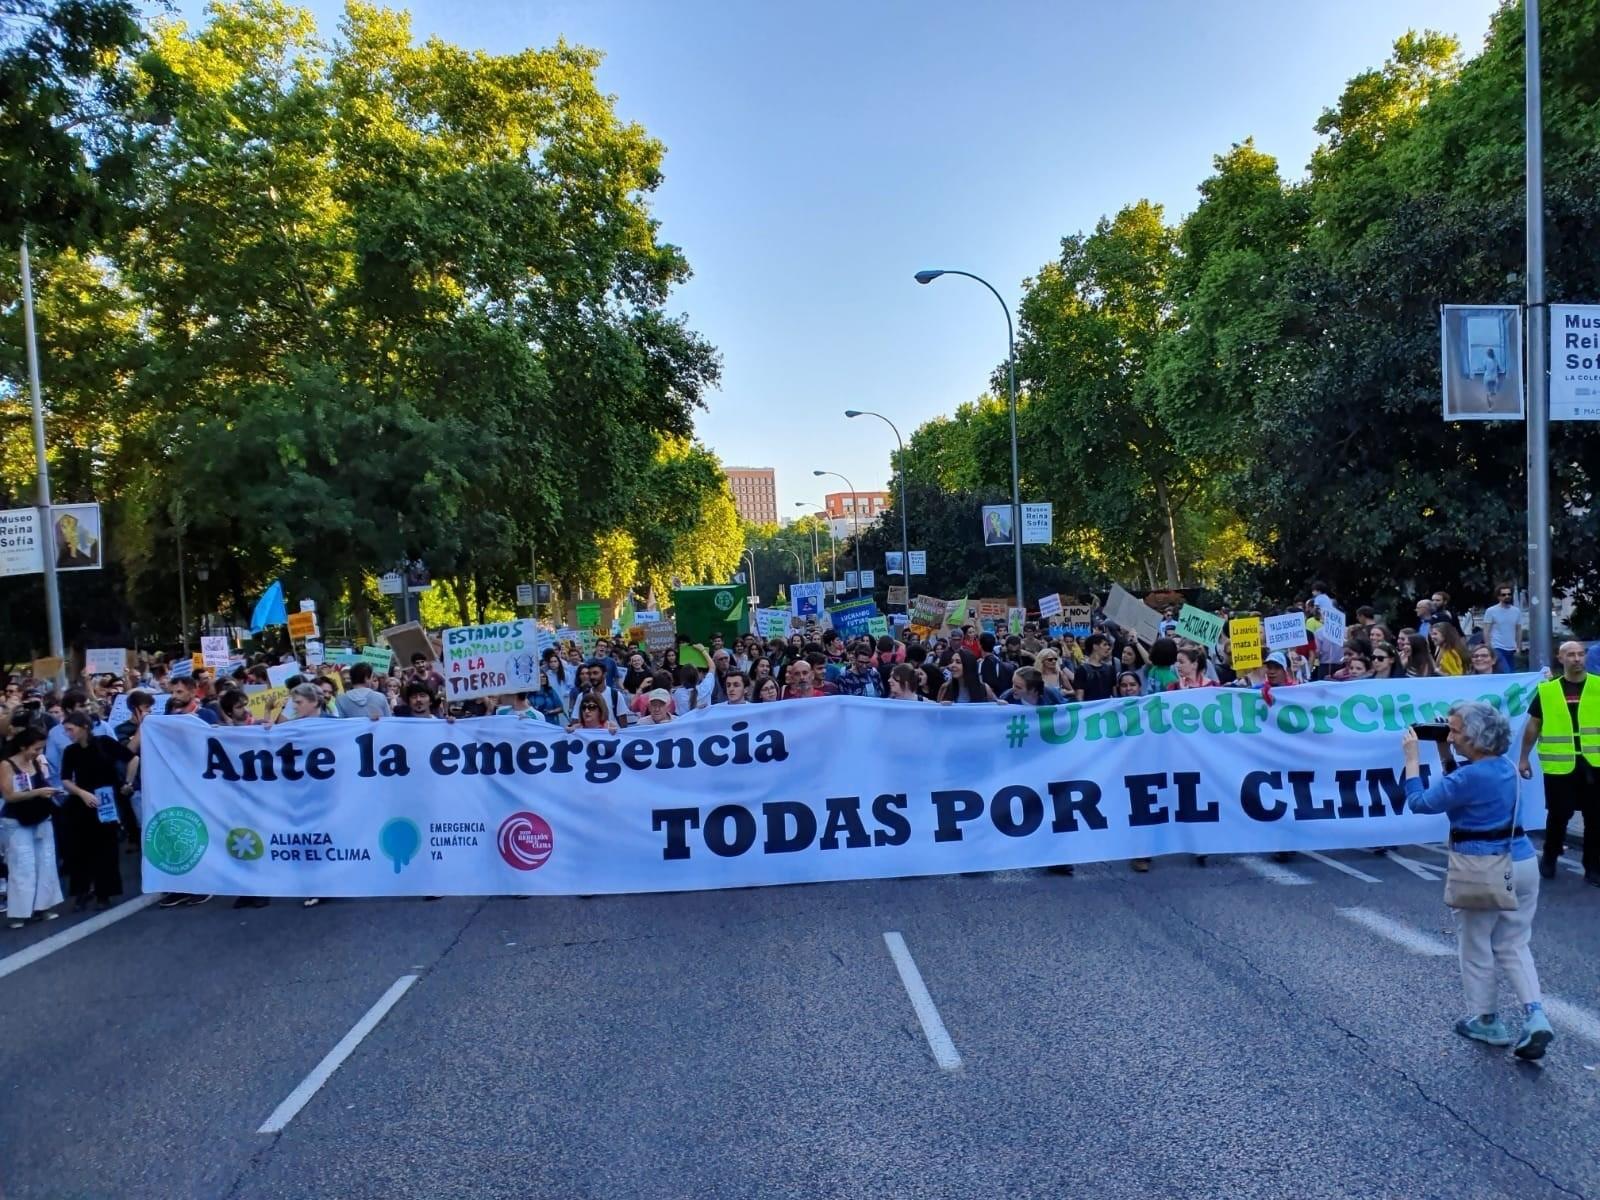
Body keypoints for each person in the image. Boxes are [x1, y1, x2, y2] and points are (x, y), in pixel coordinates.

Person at [1403, 703, 1552, 1059]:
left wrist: (1411, 759)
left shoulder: (1469, 777)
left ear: (1476, 738)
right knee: (1514, 942)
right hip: (1522, 861)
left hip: (1480, 867)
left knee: (1475, 944)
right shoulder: (1502, 768)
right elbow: (1461, 787)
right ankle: (1536, 1014)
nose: (1450, 736)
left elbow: (1420, 802)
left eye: (1454, 732)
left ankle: (1487, 1019)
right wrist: (1444, 752)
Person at [1517, 641, 1600, 885]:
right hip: (1560, 764)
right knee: (1558, 815)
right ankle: (1550, 856)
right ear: (1560, 658)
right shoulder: (1548, 691)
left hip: (1594, 763)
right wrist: (1523, 758)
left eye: (1580, 654)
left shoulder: (1598, 686)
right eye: (1570, 654)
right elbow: (1533, 727)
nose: (1577, 658)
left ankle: (1593, 867)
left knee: (1596, 818)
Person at [56, 711, 133, 911]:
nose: (68, 734)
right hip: (81, 802)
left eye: (70, 730)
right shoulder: (70, 751)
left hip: (106, 800)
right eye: (66, 730)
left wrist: (128, 783)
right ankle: (82, 891)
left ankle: (104, 892)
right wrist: (81, 793)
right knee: (79, 849)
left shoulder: (105, 742)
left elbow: (132, 759)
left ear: (84, 727)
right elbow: (65, 779)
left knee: (105, 847)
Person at [0, 725, 64, 928]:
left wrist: (50, 791)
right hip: (17, 820)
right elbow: (8, 795)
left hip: (40, 816)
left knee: (46, 862)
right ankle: (20, 912)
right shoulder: (6, 765)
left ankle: (43, 906)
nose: (38, 753)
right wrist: (38, 792)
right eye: (35, 749)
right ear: (22, 746)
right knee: (22, 865)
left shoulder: (35, 762)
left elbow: (40, 784)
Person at [1482, 586, 1523, 674]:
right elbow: (1486, 630)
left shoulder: (1516, 611)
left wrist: (1519, 646)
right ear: (1498, 597)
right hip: (1497, 647)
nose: (1507, 596)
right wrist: (1488, 647)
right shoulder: (1491, 611)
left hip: (1512, 647)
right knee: (1506, 672)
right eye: (1503, 594)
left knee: (1512, 673)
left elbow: (1518, 630)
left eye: (1509, 594)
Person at [1074, 634, 1118, 702]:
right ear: (1095, 647)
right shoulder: (1082, 670)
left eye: (1108, 645)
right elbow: (1079, 698)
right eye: (1105, 645)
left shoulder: (1110, 669)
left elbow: (1115, 696)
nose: (1108, 647)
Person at [999, 666, 1064, 706]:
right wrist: (1000, 708)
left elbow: (1066, 711)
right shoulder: (1007, 697)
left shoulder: (1052, 695)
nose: (1013, 689)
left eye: (1018, 687)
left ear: (1033, 690)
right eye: (1013, 684)